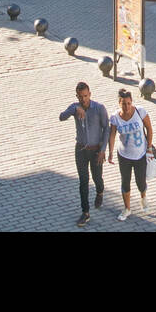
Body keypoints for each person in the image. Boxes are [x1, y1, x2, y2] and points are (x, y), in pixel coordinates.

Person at [59, 82, 110, 227]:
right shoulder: (74, 107)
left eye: (86, 96)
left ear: (90, 94)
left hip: (96, 151)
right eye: (80, 97)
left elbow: (106, 128)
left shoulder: (99, 108)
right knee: (83, 181)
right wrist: (75, 108)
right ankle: (85, 212)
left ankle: (100, 191)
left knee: (97, 177)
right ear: (77, 96)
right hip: (81, 150)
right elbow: (61, 117)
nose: (83, 99)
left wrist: (103, 150)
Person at [108, 88, 154, 221]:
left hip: (140, 154)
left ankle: (143, 197)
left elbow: (149, 129)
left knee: (140, 181)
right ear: (119, 103)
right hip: (124, 155)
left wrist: (149, 147)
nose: (127, 106)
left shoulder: (140, 112)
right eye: (123, 103)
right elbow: (112, 135)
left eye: (129, 103)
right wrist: (110, 152)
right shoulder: (115, 117)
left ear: (132, 102)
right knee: (125, 182)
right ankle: (127, 208)